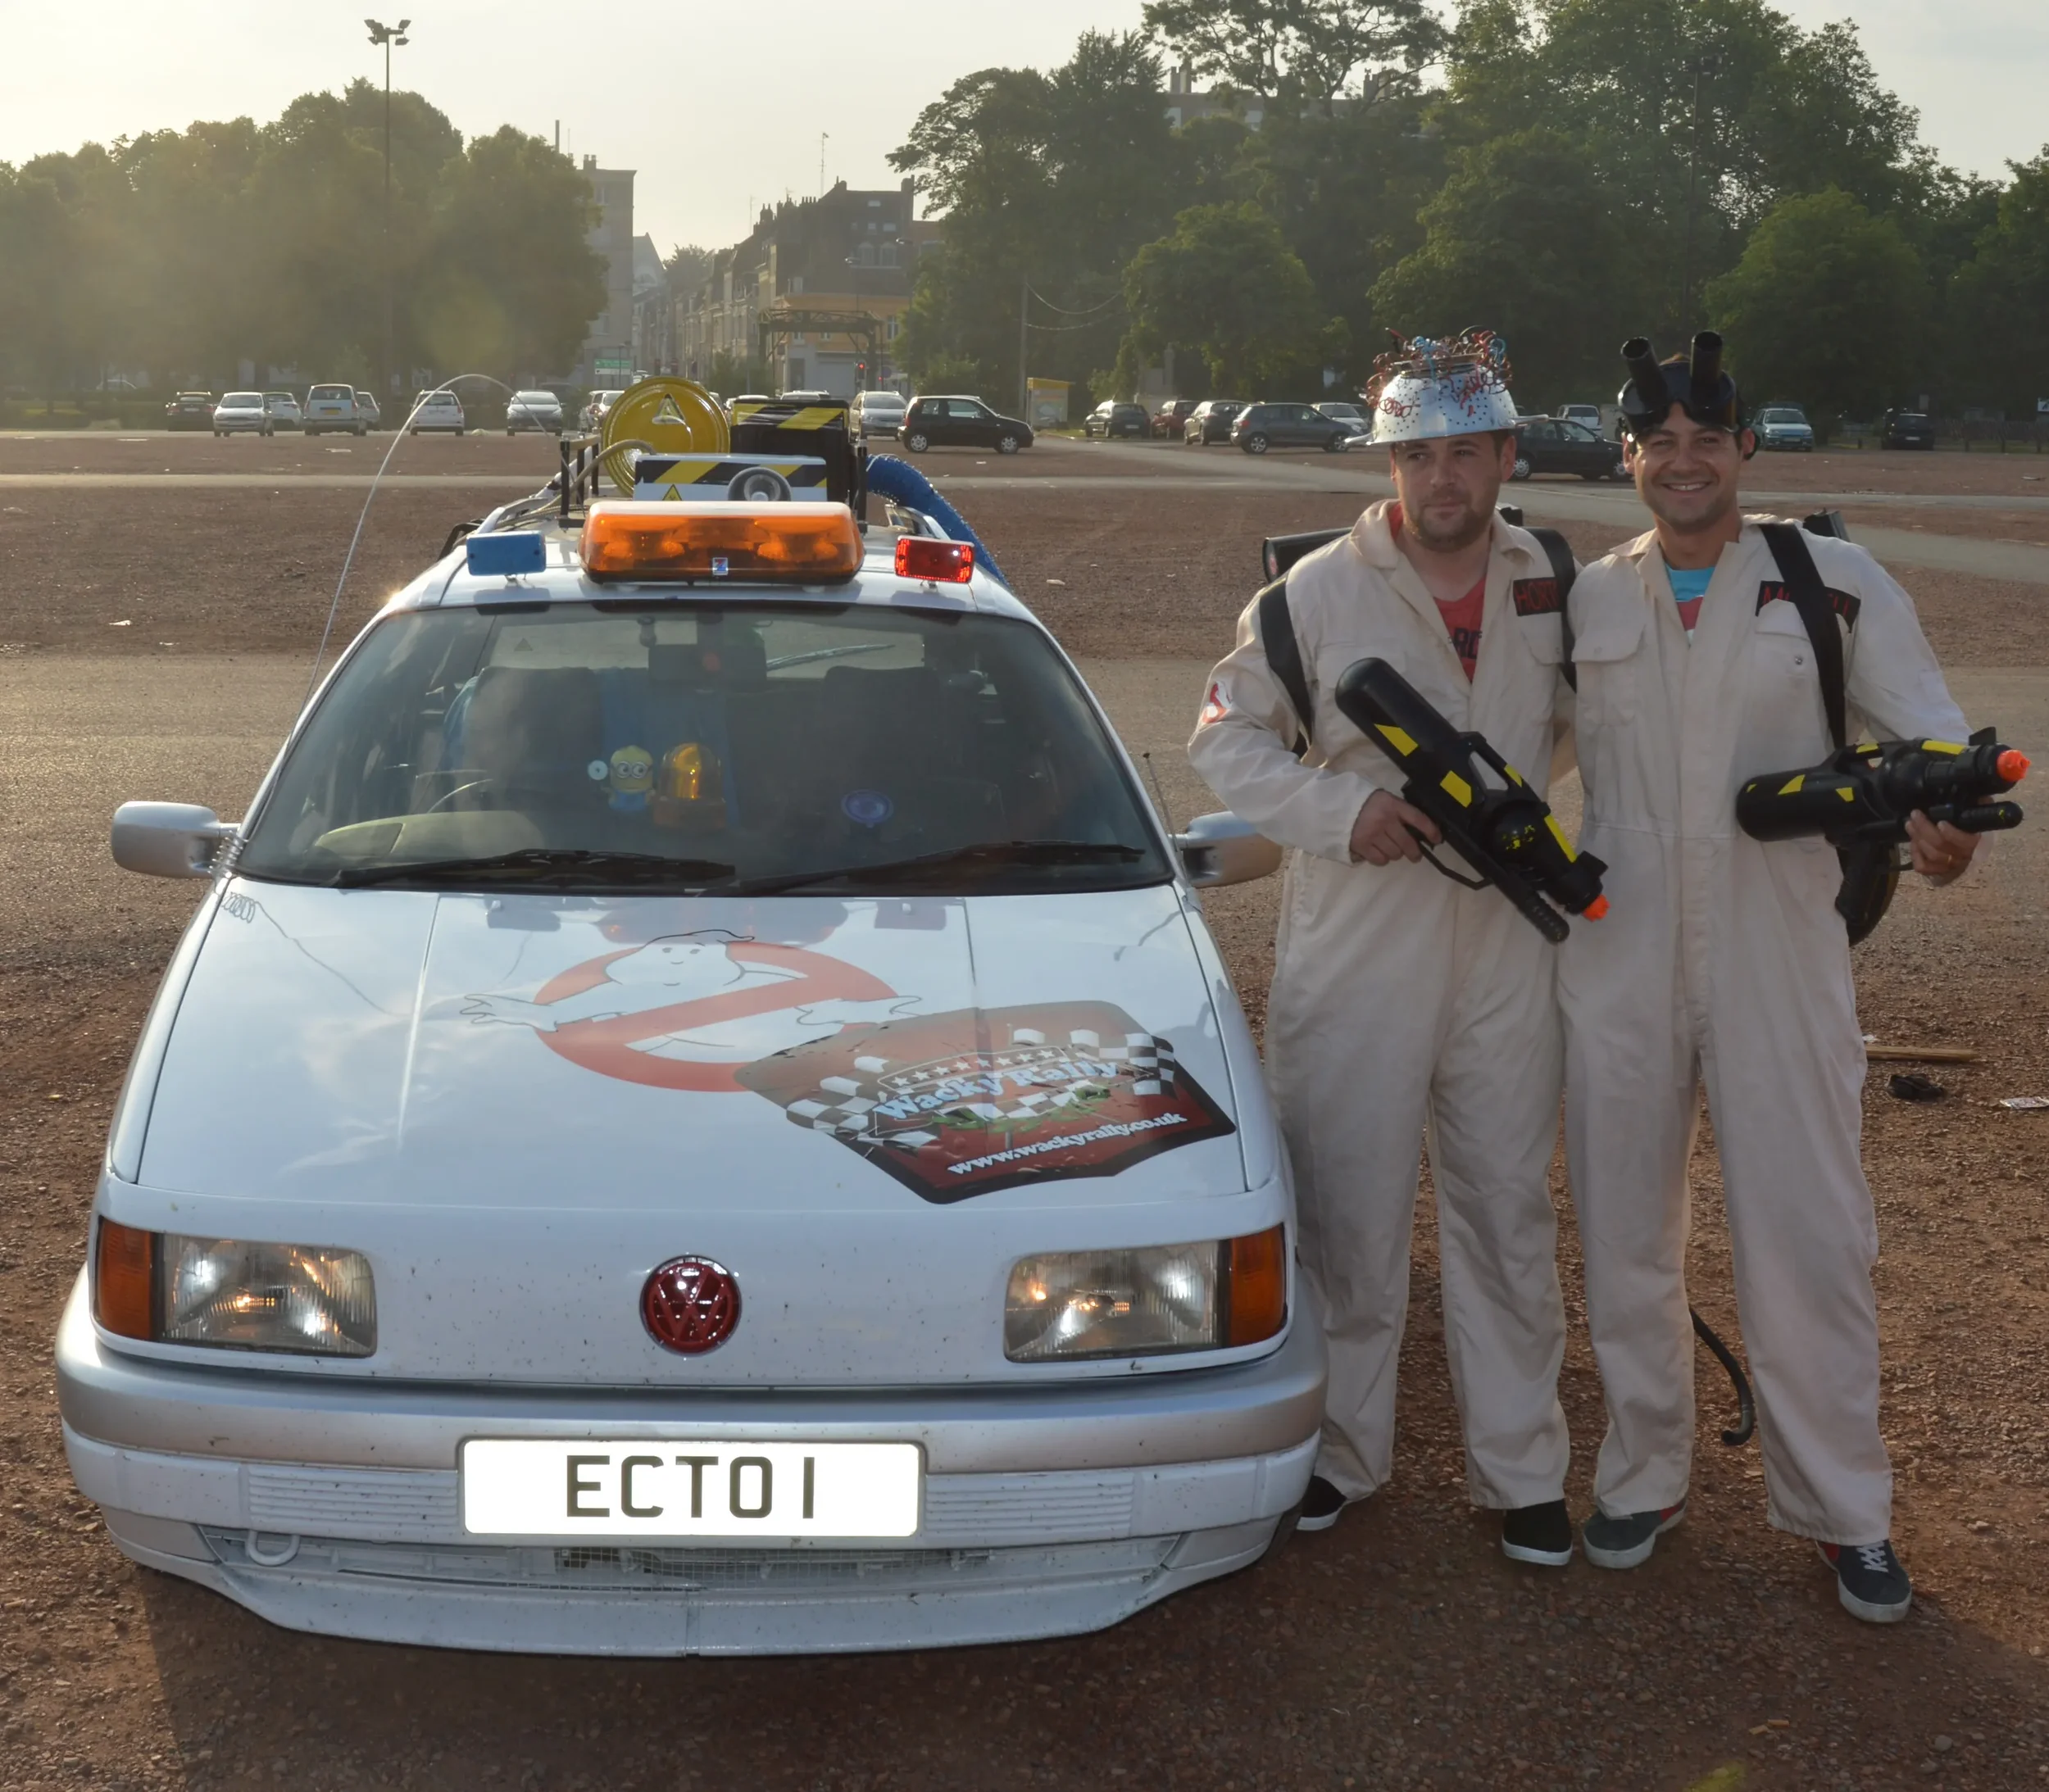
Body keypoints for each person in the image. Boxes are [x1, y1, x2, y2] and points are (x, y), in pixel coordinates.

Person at [1561, 332, 1981, 1622]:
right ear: (1628, 456)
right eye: (1657, 443)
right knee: (1623, 1227)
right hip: (1618, 952)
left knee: (1807, 1228)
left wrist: (1947, 826)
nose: (1683, 462)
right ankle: (1644, 1473)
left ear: (1747, 447)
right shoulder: (1585, 600)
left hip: (1777, 953)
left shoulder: (1833, 581)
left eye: (1708, 439)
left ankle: (1845, 1506)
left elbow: (1936, 747)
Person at [1188, 332, 1580, 1566]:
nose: (1444, 477)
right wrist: (1339, 813)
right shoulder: (1309, 594)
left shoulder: (1557, 581)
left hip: (1508, 944)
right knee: (1349, 1213)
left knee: (1508, 1211)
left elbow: (1595, 720)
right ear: (1389, 460)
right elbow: (1224, 739)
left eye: (1468, 451)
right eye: (1420, 454)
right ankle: (1343, 1456)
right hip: (1359, 936)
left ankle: (1520, 1469)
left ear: (1508, 455)